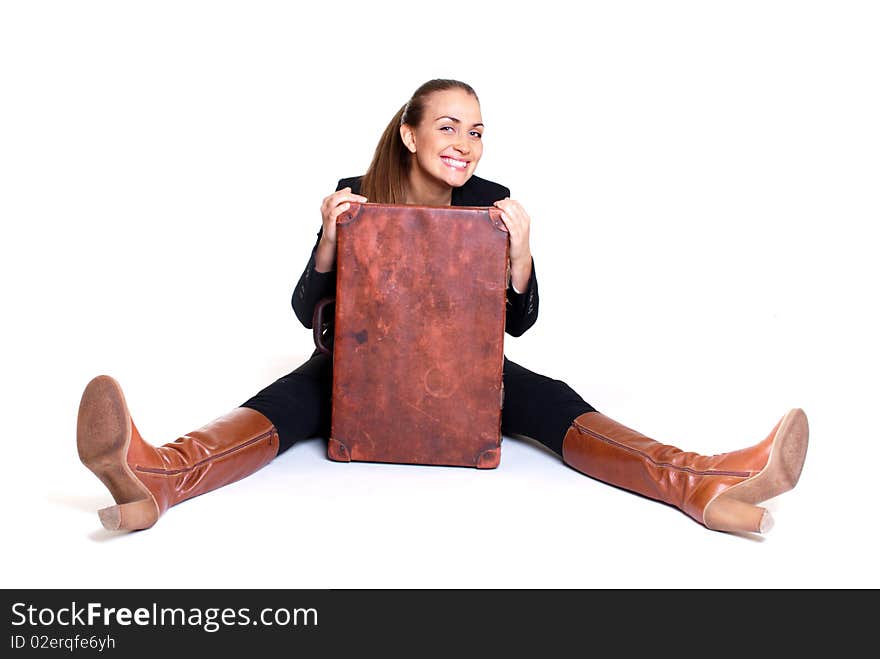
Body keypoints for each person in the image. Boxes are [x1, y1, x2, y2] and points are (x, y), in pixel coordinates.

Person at [77, 78, 809, 535]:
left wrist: (521, 256)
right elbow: (308, 309)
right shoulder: (356, 192)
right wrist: (331, 237)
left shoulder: (491, 202)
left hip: (461, 374)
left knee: (552, 402)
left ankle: (707, 483)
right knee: (281, 404)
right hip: (351, 368)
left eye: (478, 129)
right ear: (410, 132)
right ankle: (153, 479)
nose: (466, 143)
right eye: (449, 126)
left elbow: (517, 322)